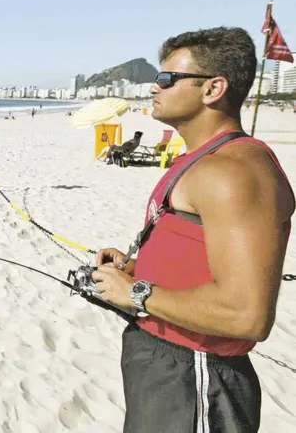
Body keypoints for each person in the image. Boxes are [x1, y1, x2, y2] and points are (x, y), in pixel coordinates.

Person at [92, 27, 294, 432]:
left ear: (213, 89)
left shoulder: (234, 172)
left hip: (197, 374)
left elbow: (246, 315)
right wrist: (137, 266)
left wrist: (135, 293)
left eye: (167, 79)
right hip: (166, 365)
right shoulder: (204, 161)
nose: (154, 87)